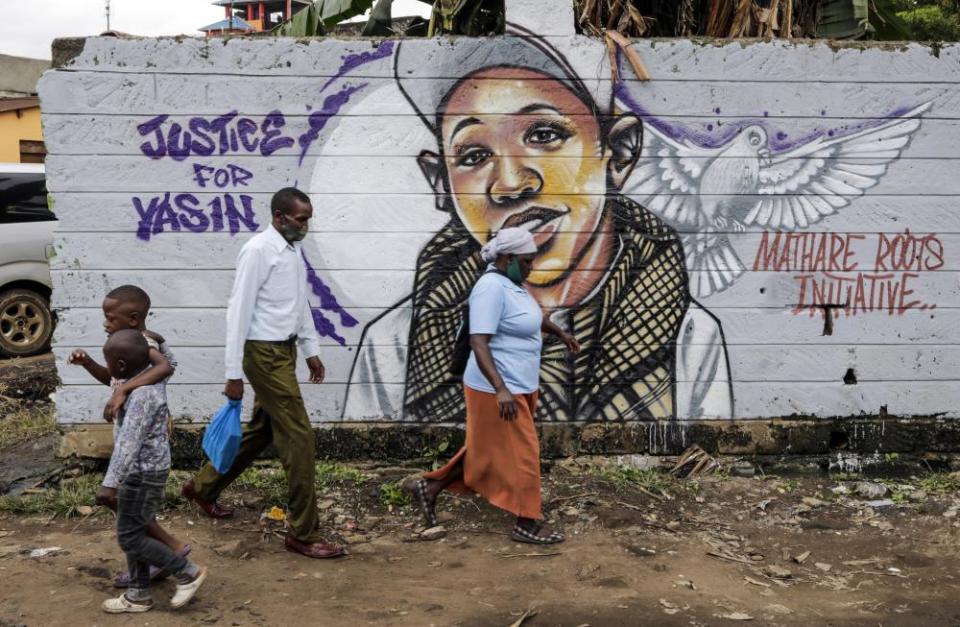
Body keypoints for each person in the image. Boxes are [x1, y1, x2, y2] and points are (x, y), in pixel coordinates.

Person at [344, 26, 733, 424]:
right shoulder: (398, 341)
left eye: (544, 134)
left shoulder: (687, 337)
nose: (510, 183)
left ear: (618, 153)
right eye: (474, 155)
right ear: (441, 183)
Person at [180, 187, 344, 559]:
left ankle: (203, 487)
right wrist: (232, 372)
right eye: (301, 219)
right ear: (280, 216)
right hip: (262, 354)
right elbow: (238, 311)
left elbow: (299, 303)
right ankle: (302, 533)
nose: (306, 226)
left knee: (260, 431)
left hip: (283, 350)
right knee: (299, 438)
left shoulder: (292, 250)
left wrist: (310, 349)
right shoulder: (258, 250)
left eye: (308, 219)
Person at [411, 227, 578, 544]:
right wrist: (501, 389)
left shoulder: (513, 285)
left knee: (485, 451)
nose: (532, 266)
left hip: (520, 383)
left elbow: (530, 317)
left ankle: (431, 487)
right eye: (527, 261)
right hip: (496, 388)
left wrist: (559, 333)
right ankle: (526, 523)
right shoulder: (489, 287)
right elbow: (478, 341)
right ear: (509, 258)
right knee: (526, 454)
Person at [68, 285, 191, 589]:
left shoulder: (145, 344)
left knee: (126, 512)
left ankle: (173, 558)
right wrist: (89, 365)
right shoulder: (131, 344)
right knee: (129, 513)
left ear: (133, 318)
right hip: (140, 454)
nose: (105, 323)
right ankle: (154, 566)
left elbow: (166, 366)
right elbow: (114, 378)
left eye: (110, 317)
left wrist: (123, 390)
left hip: (142, 456)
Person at [98, 329, 207, 613]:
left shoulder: (142, 395)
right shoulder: (143, 379)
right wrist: (161, 341)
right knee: (133, 531)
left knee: (130, 536)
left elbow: (128, 444)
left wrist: (110, 483)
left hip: (142, 473)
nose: (107, 368)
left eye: (107, 362)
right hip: (145, 470)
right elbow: (169, 362)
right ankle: (138, 594)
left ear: (120, 365)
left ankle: (188, 571)